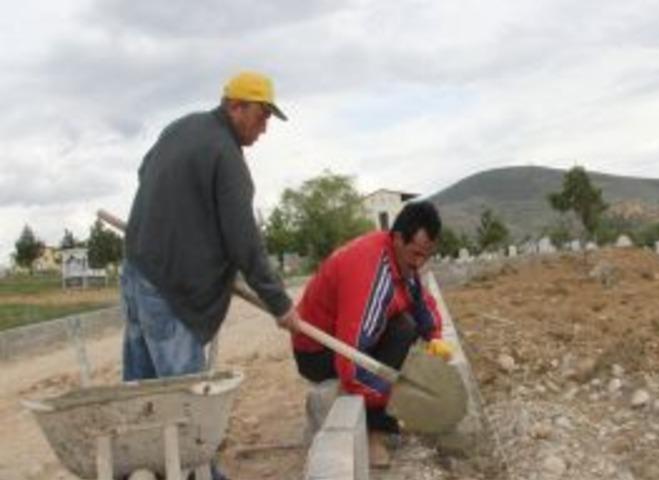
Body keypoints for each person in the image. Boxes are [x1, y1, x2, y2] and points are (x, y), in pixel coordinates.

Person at [121, 71, 298, 480]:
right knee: (186, 398)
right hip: (170, 287)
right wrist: (281, 304)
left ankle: (140, 465)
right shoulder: (227, 157)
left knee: (142, 389)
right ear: (236, 106)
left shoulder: (179, 127)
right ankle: (200, 473)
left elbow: (145, 172)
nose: (265, 128)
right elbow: (245, 244)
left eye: (269, 118)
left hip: (136, 267)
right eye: (262, 115)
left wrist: (181, 221)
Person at [292, 200, 453, 468]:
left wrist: (435, 337)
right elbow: (352, 366)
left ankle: (380, 412)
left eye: (427, 255)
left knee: (408, 324)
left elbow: (420, 301)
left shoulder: (404, 259)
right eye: (416, 254)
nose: (420, 263)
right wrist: (397, 396)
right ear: (398, 238)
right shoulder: (370, 273)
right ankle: (374, 434)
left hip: (349, 337)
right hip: (318, 350)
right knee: (401, 331)